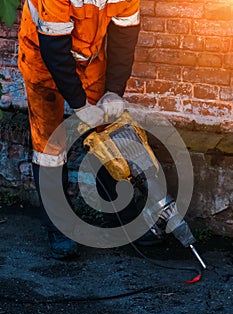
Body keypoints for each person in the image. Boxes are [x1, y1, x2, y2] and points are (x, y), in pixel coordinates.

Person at [18, 0, 158, 260]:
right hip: (42, 55)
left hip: (89, 57)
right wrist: (80, 106)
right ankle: (58, 227)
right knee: (50, 145)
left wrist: (115, 92)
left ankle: (120, 216)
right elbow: (54, 49)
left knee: (105, 132)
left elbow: (124, 36)